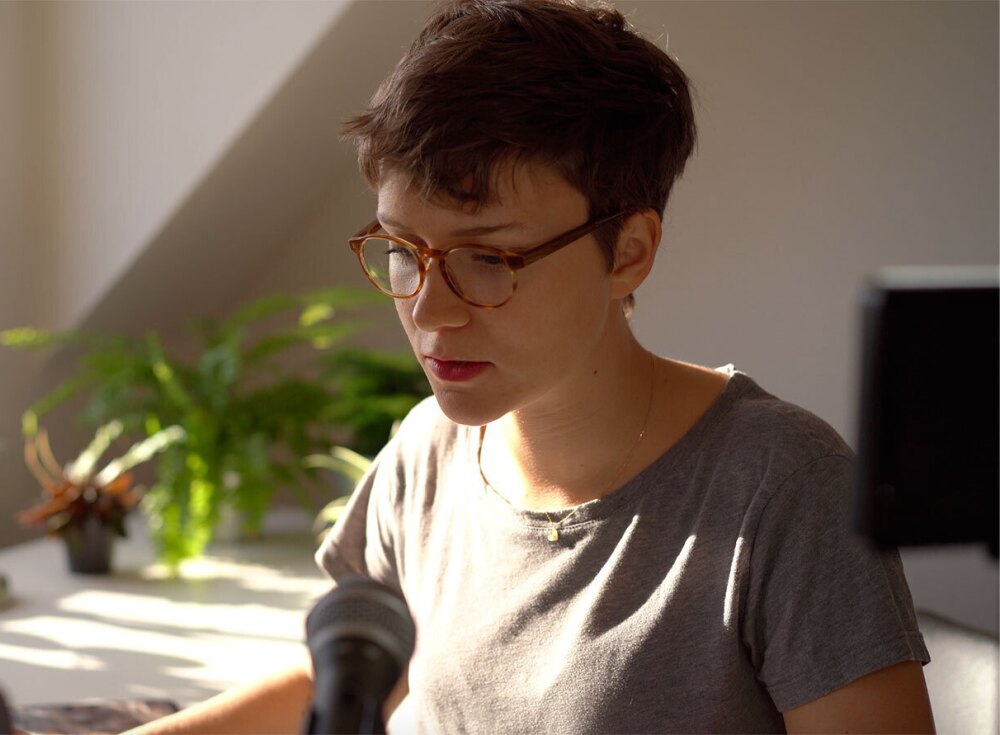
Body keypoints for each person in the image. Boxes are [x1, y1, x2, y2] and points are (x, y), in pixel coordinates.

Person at [129, 0, 934, 732]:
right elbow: (342, 682)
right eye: (404, 250)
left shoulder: (785, 486)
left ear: (629, 252)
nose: (429, 309)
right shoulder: (424, 454)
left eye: (488, 258)